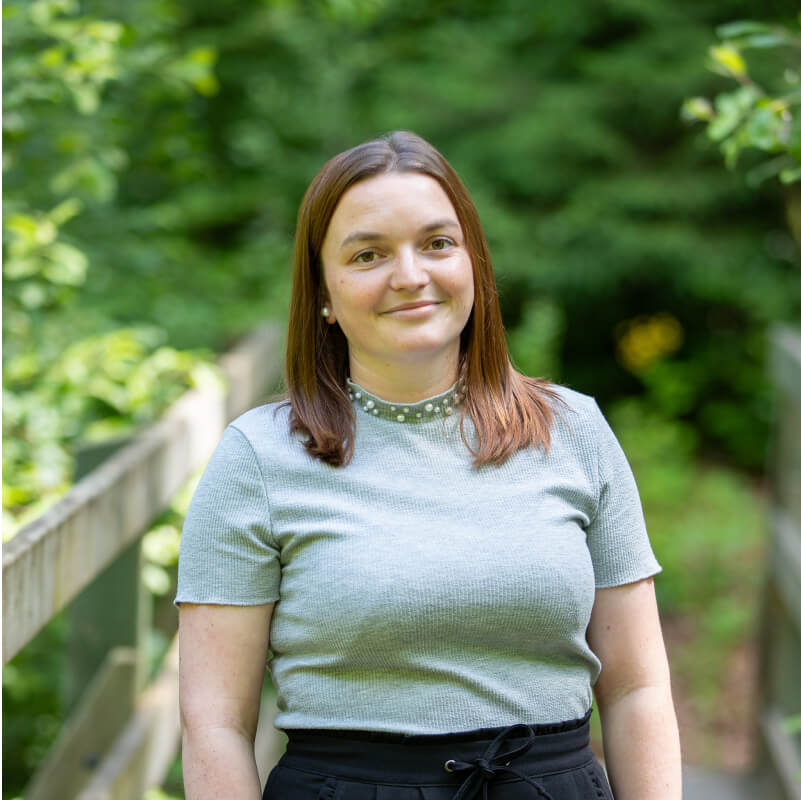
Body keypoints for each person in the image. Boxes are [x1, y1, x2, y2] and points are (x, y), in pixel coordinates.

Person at [176, 130, 682, 800]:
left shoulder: (574, 431)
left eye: (437, 243)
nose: (410, 275)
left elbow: (636, 687)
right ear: (323, 292)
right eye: (368, 254)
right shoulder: (258, 458)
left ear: (472, 262)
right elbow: (214, 722)